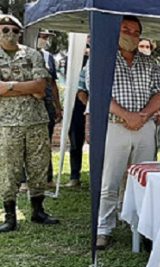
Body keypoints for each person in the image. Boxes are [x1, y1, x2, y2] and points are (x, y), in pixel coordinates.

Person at [95, 16, 160, 249]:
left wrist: (143, 115)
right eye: (126, 29)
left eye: (136, 32)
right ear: (116, 30)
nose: (131, 35)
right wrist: (127, 115)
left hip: (145, 128)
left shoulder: (151, 63)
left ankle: (142, 227)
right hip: (116, 126)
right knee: (110, 180)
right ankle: (103, 229)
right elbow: (99, 93)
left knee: (144, 180)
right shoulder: (101, 58)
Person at [0, 14, 60, 233]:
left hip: (36, 120)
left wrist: (8, 87)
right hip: (6, 124)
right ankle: (9, 215)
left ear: (20, 33)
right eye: (5, 30)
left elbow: (41, 87)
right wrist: (26, 86)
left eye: (14, 31)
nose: (10, 34)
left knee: (38, 166)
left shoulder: (33, 54)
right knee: (9, 170)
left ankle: (37, 210)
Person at [35, 29, 62, 186]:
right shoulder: (25, 54)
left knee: (47, 141)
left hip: (48, 105)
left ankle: (48, 178)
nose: (45, 40)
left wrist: (58, 106)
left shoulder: (49, 57)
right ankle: (25, 181)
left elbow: (53, 83)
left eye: (46, 37)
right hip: (29, 105)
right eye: (42, 36)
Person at [67, 46, 89, 188]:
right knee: (75, 142)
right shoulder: (72, 60)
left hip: (98, 108)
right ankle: (74, 175)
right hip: (77, 108)